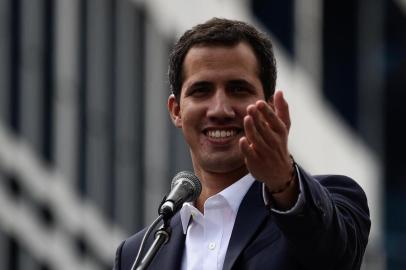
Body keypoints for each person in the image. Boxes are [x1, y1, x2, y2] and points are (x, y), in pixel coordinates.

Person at [114, 18, 370, 270]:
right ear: (176, 111)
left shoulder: (329, 200)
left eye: (238, 89)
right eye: (201, 90)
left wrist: (284, 182)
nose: (220, 109)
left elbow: (335, 258)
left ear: (269, 107)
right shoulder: (137, 254)